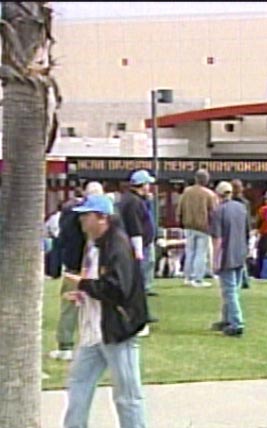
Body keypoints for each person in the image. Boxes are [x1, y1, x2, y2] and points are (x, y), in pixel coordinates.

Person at [62, 194, 148, 428]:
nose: (82, 222)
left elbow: (118, 288)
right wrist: (84, 294)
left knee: (127, 395)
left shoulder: (118, 246)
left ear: (102, 218)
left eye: (86, 216)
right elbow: (100, 284)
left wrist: (83, 284)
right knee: (78, 382)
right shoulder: (95, 247)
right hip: (94, 330)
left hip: (117, 331)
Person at [49, 182, 104, 361]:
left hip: (77, 265)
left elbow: (63, 239)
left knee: (70, 306)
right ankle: (86, 343)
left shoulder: (70, 213)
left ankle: (66, 345)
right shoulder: (102, 217)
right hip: (91, 265)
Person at [119, 169, 159, 334]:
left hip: (141, 245)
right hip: (139, 246)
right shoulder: (134, 203)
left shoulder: (133, 200)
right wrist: (138, 251)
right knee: (138, 285)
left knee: (139, 283)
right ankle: (139, 316)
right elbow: (135, 228)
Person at [209, 181, 249, 337]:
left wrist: (215, 260)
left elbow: (217, 239)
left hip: (227, 255)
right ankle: (226, 318)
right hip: (240, 253)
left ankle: (236, 322)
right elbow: (246, 231)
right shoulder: (241, 208)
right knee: (233, 290)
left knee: (229, 290)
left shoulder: (219, 211)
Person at [176, 169, 218, 287]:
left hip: (188, 225)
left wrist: (181, 221)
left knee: (190, 252)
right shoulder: (210, 194)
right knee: (201, 253)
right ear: (206, 180)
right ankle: (198, 279)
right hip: (203, 227)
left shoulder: (186, 192)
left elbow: (180, 208)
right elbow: (213, 212)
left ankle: (188, 278)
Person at [231, 179, 252, 289]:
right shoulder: (245, 203)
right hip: (241, 233)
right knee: (241, 258)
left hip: (233, 233)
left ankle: (242, 279)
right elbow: (247, 221)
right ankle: (244, 279)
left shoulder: (228, 203)